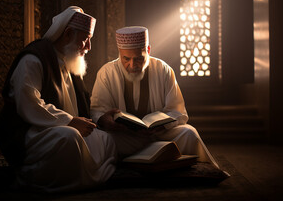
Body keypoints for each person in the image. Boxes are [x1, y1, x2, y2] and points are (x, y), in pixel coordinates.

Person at [0, 6, 117, 193]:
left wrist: (98, 119)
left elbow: (83, 105)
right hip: (33, 133)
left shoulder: (69, 60)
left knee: (106, 140)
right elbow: (29, 103)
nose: (89, 47)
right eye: (85, 39)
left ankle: (82, 177)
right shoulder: (34, 59)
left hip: (62, 129)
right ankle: (31, 177)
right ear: (67, 34)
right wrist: (69, 121)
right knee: (70, 137)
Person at [90, 26, 219, 168]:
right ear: (119, 53)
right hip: (125, 137)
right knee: (103, 139)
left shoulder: (164, 70)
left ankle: (192, 170)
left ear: (148, 51)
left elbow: (177, 112)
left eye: (139, 59)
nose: (132, 65)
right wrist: (104, 119)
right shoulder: (107, 73)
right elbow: (97, 111)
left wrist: (162, 126)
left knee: (189, 133)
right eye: (126, 59)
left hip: (160, 136)